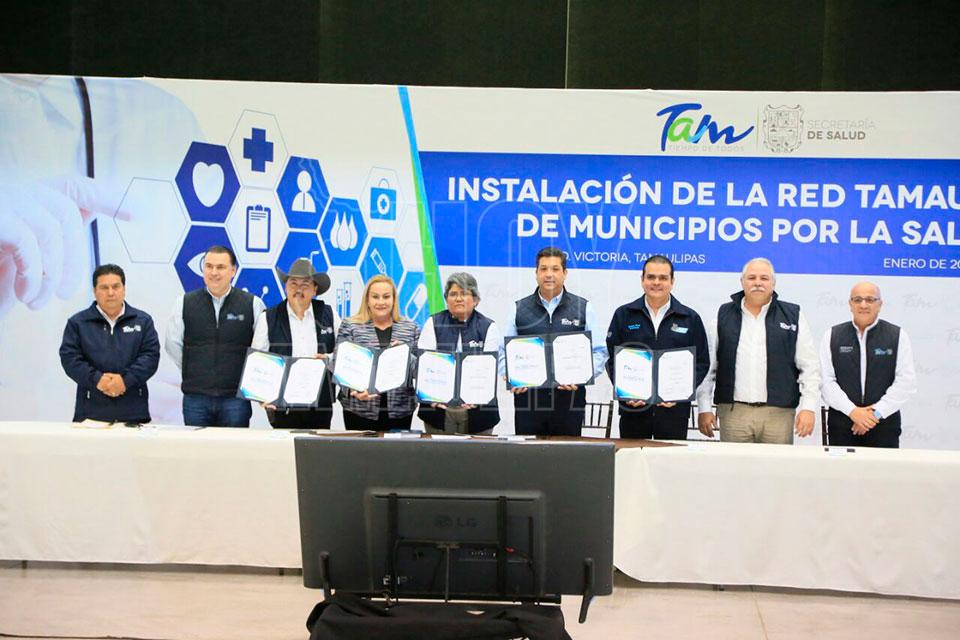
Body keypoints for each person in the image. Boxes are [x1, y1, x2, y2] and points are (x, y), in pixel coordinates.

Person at [697, 257, 820, 444]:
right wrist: (704, 407)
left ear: (773, 283)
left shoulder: (793, 316)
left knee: (777, 464)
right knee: (734, 464)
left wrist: (808, 407)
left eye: (764, 278)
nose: (757, 283)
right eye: (751, 278)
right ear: (742, 282)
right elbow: (709, 367)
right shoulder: (723, 316)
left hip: (779, 414)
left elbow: (809, 366)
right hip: (734, 414)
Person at [504, 246, 608, 436]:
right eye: (543, 269)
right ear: (536, 273)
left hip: (570, 401)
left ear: (565, 273)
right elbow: (504, 351)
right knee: (528, 453)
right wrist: (510, 376)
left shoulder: (583, 308)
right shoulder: (518, 309)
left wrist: (582, 375)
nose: (549, 274)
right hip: (529, 402)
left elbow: (599, 351)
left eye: (555, 269)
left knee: (567, 453)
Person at [606, 255, 709, 439]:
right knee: (633, 456)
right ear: (642, 279)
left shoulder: (690, 318)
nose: (656, 282)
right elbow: (612, 359)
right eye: (651, 277)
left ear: (672, 281)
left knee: (670, 457)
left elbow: (701, 362)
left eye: (663, 278)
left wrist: (682, 391)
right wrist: (626, 392)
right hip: (634, 410)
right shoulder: (624, 314)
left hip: (674, 411)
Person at [164, 245, 265, 427]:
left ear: (233, 271)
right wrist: (193, 369)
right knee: (195, 445)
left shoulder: (252, 304)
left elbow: (260, 349)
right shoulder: (184, 303)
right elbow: (172, 344)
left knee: (235, 446)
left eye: (220, 267)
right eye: (209, 266)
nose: (214, 272)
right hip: (196, 399)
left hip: (235, 400)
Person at [820, 282, 917, 448]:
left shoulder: (897, 336)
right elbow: (825, 381)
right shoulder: (832, 335)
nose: (863, 305)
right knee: (843, 466)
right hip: (843, 423)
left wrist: (874, 414)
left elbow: (906, 382)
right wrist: (853, 412)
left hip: (884, 423)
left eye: (870, 300)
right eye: (857, 300)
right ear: (850, 304)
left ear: (880, 304)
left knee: (883, 466)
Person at [59, 264, 160, 423]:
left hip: (134, 412)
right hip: (90, 412)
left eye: (115, 286)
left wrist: (125, 381)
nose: (111, 292)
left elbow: (150, 357)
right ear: (95, 291)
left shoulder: (143, 321)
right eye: (104, 287)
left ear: (124, 289)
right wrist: (97, 379)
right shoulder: (78, 323)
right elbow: (70, 359)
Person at [251, 258, 336, 428]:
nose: (298, 289)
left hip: (320, 404)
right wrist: (261, 396)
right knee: (284, 445)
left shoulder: (329, 314)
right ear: (285, 287)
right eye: (293, 283)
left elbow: (344, 354)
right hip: (283, 406)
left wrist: (329, 358)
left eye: (305, 284)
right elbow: (256, 361)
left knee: (319, 445)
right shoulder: (268, 317)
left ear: (315, 289)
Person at [417, 272, 502, 435]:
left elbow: (489, 370)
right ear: (446, 299)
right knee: (439, 452)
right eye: (453, 294)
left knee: (478, 452)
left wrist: (476, 396)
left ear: (475, 299)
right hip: (438, 410)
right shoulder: (433, 323)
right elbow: (424, 365)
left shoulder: (488, 327)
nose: (458, 299)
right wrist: (431, 395)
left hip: (479, 412)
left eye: (464, 293)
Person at [335, 274, 420, 430]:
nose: (381, 302)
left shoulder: (410, 328)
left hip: (400, 411)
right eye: (375, 297)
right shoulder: (350, 326)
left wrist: (406, 355)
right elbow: (339, 364)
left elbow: (419, 370)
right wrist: (353, 390)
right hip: (359, 410)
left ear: (394, 299)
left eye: (386, 297)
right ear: (367, 300)